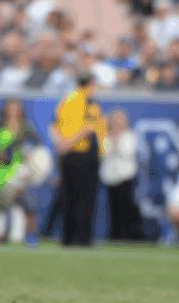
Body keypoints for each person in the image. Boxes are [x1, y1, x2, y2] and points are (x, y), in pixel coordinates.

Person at [0, 99, 44, 248]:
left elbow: (35, 151)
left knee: (28, 205)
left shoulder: (27, 130)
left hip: (21, 175)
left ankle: (30, 237)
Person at [49, 71, 106, 247]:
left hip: (66, 155)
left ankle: (67, 238)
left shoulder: (66, 99)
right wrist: (69, 143)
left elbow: (53, 125)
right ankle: (82, 238)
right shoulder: (88, 102)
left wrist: (61, 144)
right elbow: (89, 127)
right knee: (85, 199)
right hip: (83, 153)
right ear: (89, 84)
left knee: (68, 197)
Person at [100, 110, 143, 242]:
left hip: (125, 178)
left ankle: (130, 236)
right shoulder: (105, 137)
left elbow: (126, 152)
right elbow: (104, 152)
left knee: (127, 209)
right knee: (114, 211)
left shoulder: (129, 136)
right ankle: (115, 235)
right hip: (110, 179)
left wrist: (116, 139)